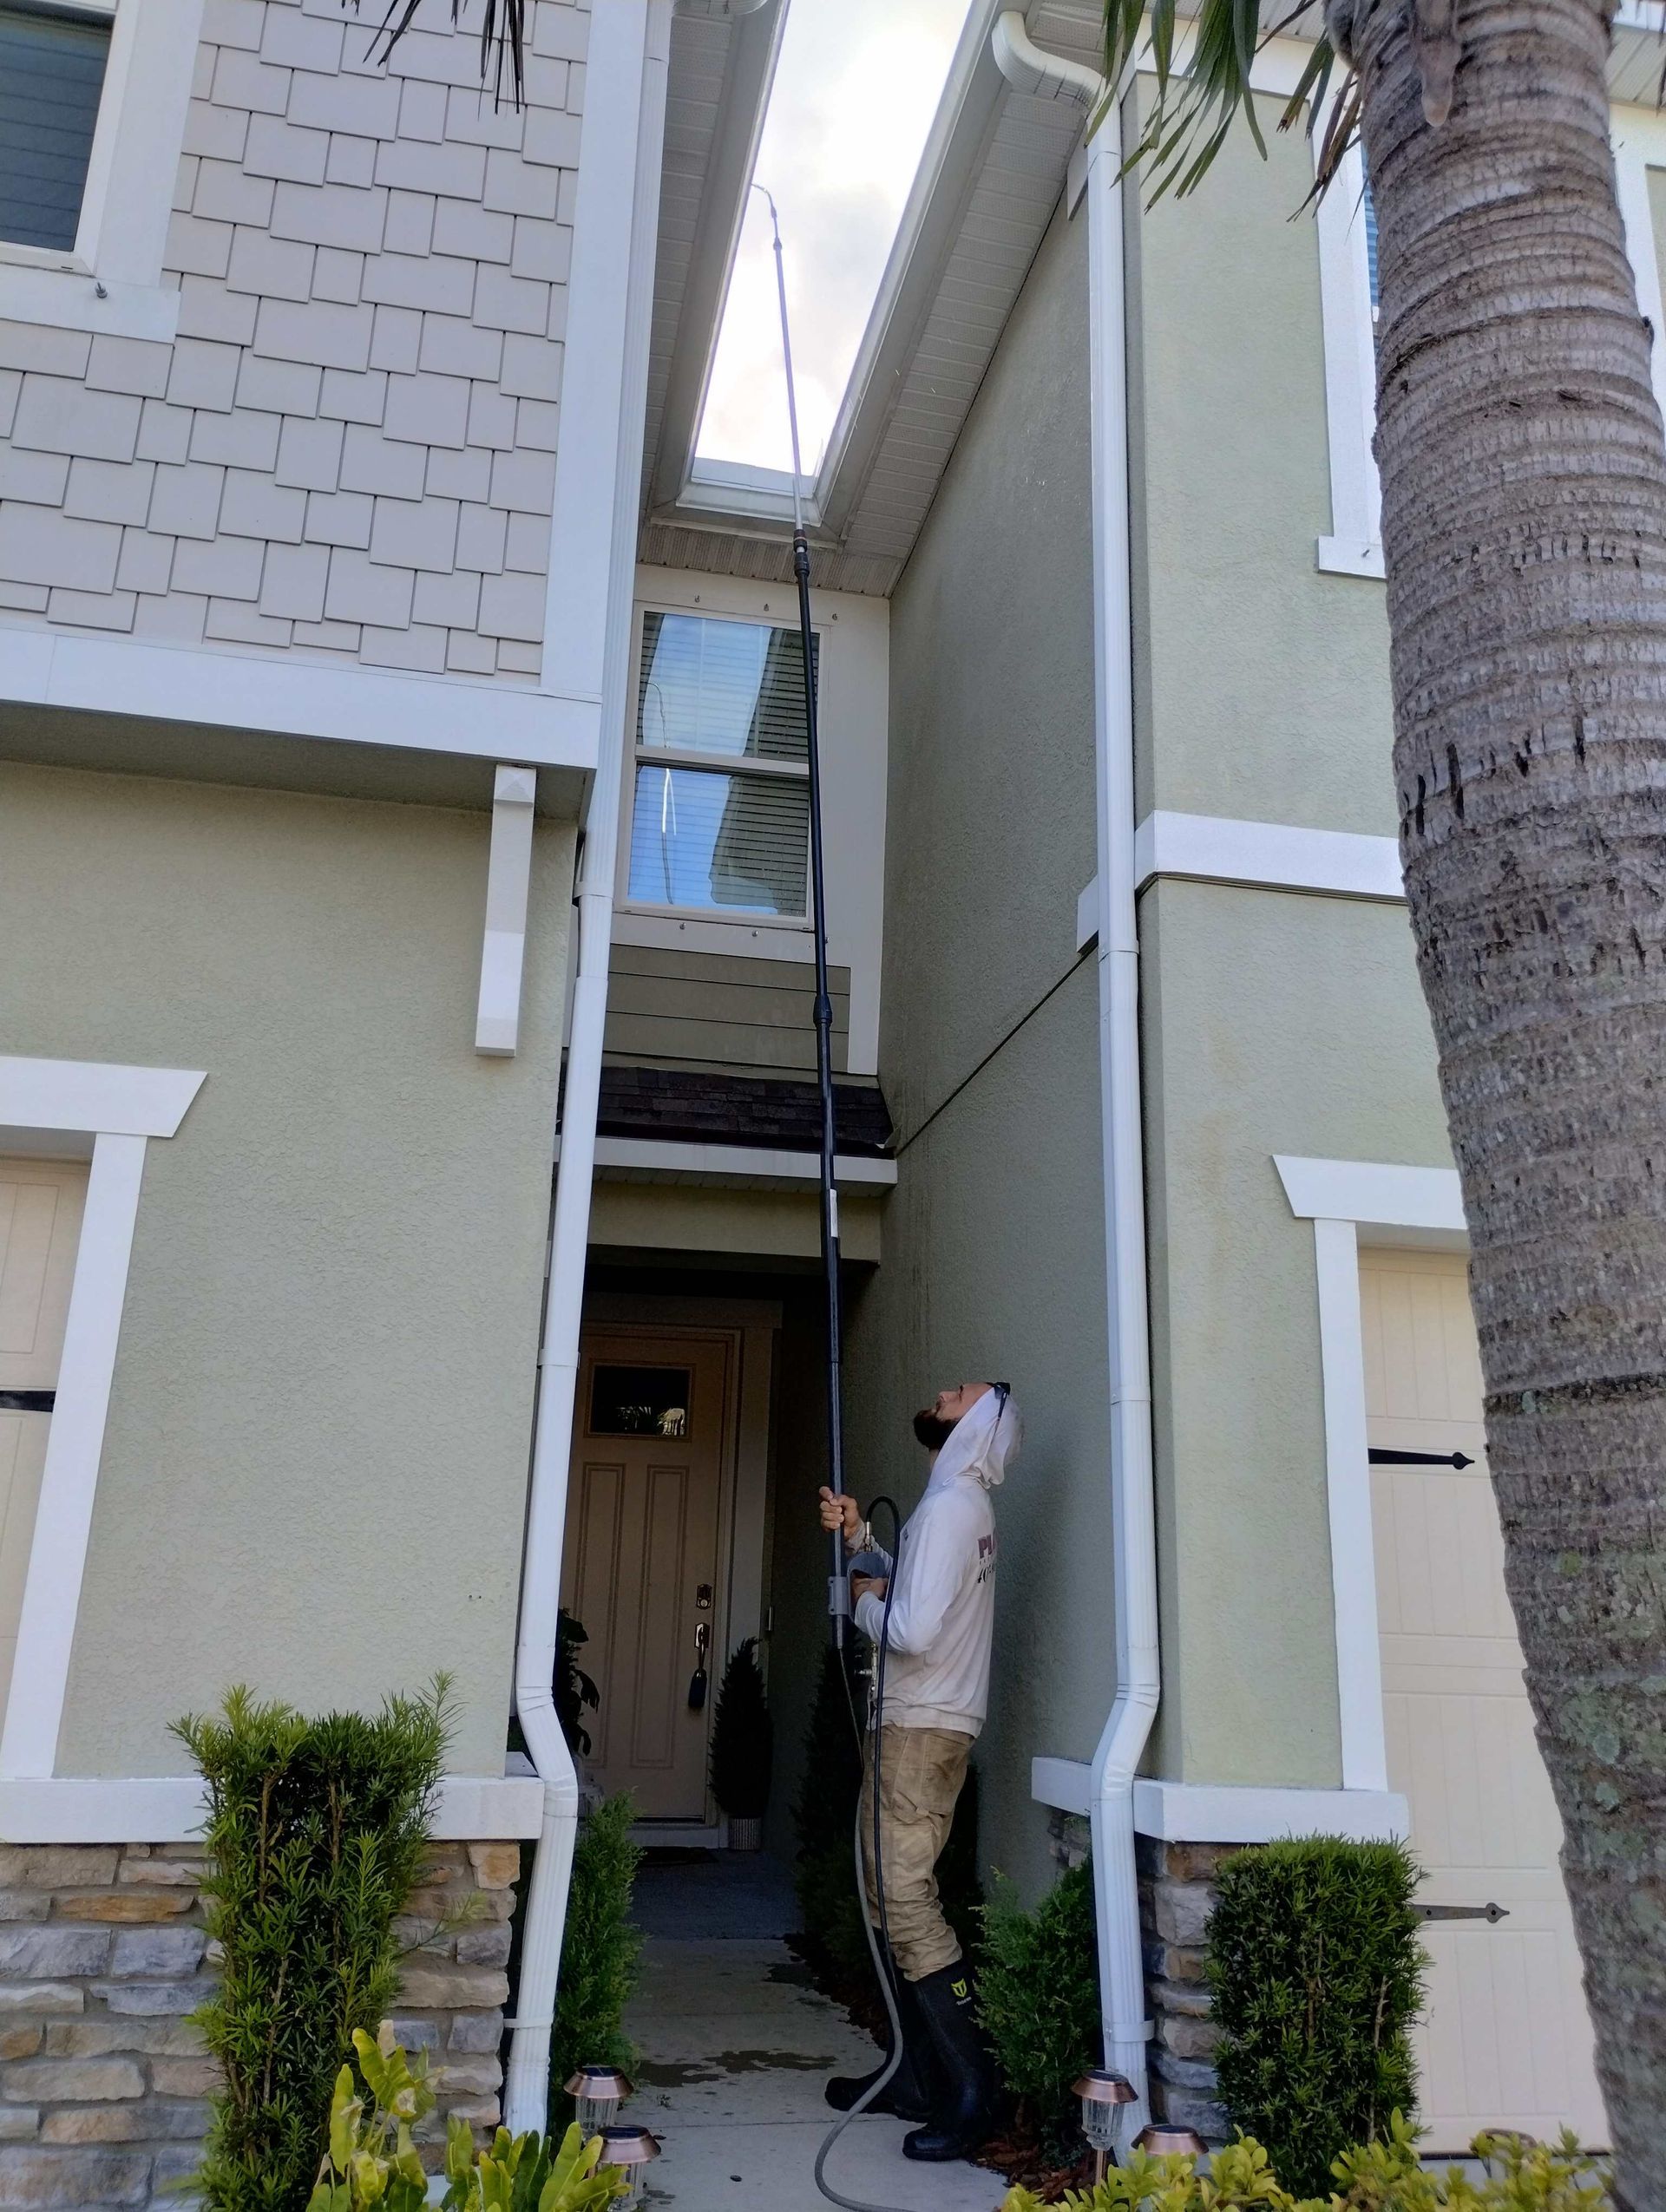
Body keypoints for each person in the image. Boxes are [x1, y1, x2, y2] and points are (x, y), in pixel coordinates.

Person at [816, 1379, 1021, 2163]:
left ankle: (972, 2092)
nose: (940, 1392)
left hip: (919, 1730)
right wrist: (863, 1538)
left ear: (971, 1426)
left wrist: (864, 1598)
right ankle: (912, 2071)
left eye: (956, 1394)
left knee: (905, 1900)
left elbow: (907, 1627)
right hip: (923, 1727)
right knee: (884, 1887)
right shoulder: (958, 1509)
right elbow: (922, 1587)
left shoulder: (948, 1511)